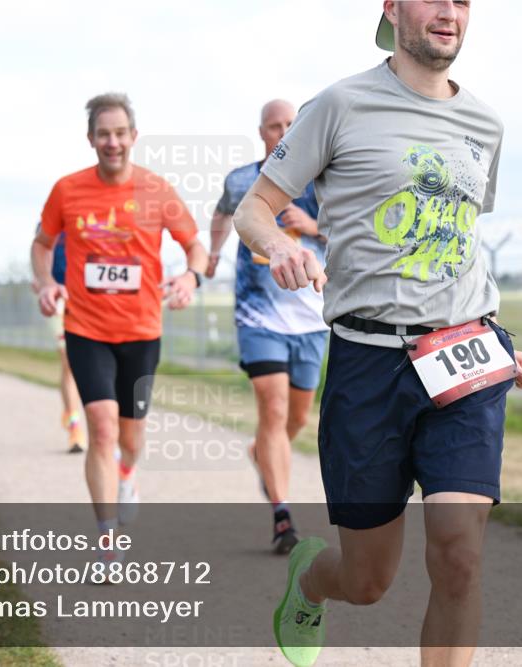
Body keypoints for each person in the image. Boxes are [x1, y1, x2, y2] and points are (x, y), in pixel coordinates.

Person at [232, 3, 522, 666]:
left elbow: (458, 243)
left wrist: (495, 343)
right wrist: (278, 247)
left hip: (462, 359)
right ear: (393, 8)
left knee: (459, 549)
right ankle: (314, 578)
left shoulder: (485, 124)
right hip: (366, 365)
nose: (449, 12)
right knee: (367, 579)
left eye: (462, 0)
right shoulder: (340, 105)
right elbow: (254, 209)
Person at [31, 92, 206, 558]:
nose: (113, 142)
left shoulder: (156, 190)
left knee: (130, 437)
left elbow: (196, 247)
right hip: (87, 330)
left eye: (120, 133)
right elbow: (42, 244)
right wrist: (45, 282)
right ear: (91, 139)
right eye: (103, 134)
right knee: (102, 428)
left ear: (134, 137)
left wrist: (191, 277)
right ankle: (107, 537)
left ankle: (128, 473)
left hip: (143, 332)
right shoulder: (68, 190)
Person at [208, 99, 328, 555]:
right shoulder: (243, 180)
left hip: (312, 316)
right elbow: (223, 213)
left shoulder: (321, 182)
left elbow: (357, 232)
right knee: (273, 411)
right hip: (257, 313)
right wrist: (214, 253)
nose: (283, 132)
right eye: (274, 126)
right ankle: (282, 516)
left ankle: (263, 451)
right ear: (263, 133)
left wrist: (313, 226)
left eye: (290, 126)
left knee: (296, 417)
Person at [34, 223, 88, 453]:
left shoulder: (91, 218)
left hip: (86, 298)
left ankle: (74, 414)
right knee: (69, 361)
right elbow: (41, 252)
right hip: (59, 298)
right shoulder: (50, 220)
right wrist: (42, 281)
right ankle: (75, 427)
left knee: (83, 364)